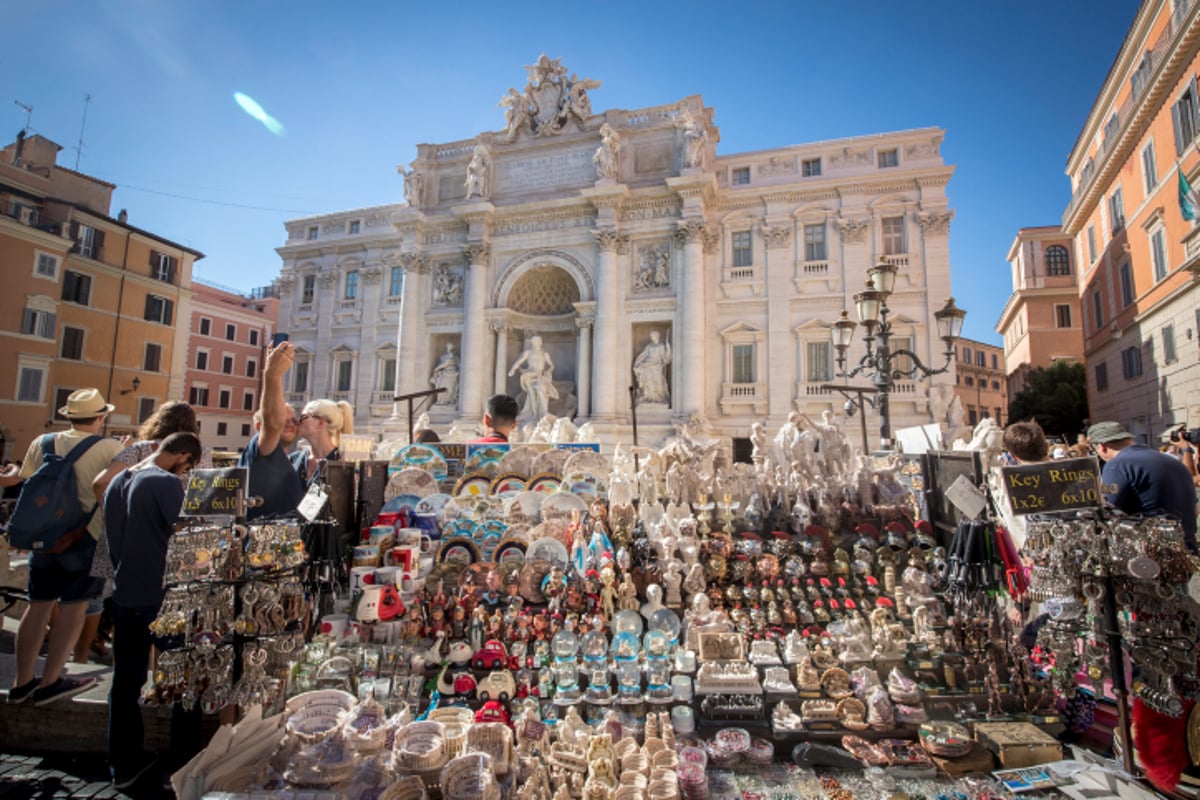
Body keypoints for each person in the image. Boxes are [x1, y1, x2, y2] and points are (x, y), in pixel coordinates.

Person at [0, 388, 124, 705]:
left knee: (37, 606)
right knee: (74, 608)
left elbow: (24, 480)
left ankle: (21, 680)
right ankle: (52, 680)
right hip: (86, 536)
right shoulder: (110, 447)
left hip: (44, 538)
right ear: (100, 417)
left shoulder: (42, 443)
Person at [104, 432, 201, 790]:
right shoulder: (165, 483)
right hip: (164, 597)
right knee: (186, 681)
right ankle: (183, 763)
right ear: (182, 456)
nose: (186, 472)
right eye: (188, 466)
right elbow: (189, 536)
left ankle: (123, 765)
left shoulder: (119, 480)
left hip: (125, 594)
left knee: (125, 683)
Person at [85, 401, 212, 665]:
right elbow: (201, 507)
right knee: (165, 627)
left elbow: (101, 483)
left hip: (124, 549)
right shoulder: (187, 461)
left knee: (126, 620)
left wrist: (117, 517)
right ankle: (157, 677)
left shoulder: (136, 452)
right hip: (166, 558)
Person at [1087, 421, 1198, 550]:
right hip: (1188, 549)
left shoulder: (1117, 464)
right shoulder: (1172, 461)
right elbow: (1195, 509)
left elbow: (1106, 508)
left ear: (1102, 447)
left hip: (1153, 555)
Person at [239, 341, 307, 520]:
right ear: (259, 427)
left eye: (294, 420)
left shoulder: (289, 458)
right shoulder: (262, 449)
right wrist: (272, 375)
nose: (291, 424)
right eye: (284, 420)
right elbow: (273, 423)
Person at [297, 398, 354, 473]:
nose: (298, 421)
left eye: (303, 417)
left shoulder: (343, 464)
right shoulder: (295, 460)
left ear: (321, 423)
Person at [509, 335, 557, 421]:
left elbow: (551, 365)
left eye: (538, 341)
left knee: (540, 388)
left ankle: (543, 412)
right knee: (532, 394)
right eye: (534, 341)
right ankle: (534, 414)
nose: (536, 343)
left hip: (540, 376)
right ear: (532, 342)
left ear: (541, 342)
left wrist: (548, 371)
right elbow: (518, 362)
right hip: (529, 375)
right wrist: (513, 369)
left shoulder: (545, 354)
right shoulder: (528, 352)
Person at [633, 330, 672, 405]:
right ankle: (649, 397)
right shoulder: (649, 346)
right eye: (651, 336)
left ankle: (659, 397)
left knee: (658, 382)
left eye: (653, 336)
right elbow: (644, 355)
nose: (652, 337)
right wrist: (638, 363)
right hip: (647, 364)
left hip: (656, 365)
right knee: (648, 381)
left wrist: (668, 349)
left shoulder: (661, 346)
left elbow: (665, 358)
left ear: (657, 336)